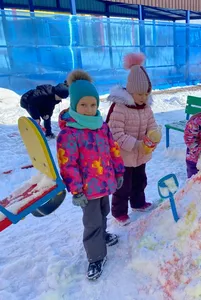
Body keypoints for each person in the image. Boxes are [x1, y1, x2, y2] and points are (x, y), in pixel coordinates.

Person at [56, 70, 125, 280]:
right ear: (74, 105)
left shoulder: (101, 126)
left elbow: (113, 149)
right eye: (83, 105)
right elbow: (68, 164)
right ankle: (95, 257)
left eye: (93, 105)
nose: (89, 110)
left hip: (104, 185)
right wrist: (76, 190)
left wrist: (119, 171)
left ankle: (102, 236)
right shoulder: (69, 134)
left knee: (103, 214)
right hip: (87, 190)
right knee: (92, 222)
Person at [106, 52, 161, 226]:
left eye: (146, 94)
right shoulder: (120, 108)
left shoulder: (146, 108)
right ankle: (119, 212)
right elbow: (116, 133)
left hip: (140, 154)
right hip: (124, 156)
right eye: (140, 94)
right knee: (123, 186)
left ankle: (138, 203)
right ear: (130, 90)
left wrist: (153, 137)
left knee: (140, 181)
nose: (143, 98)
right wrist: (137, 145)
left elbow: (152, 125)